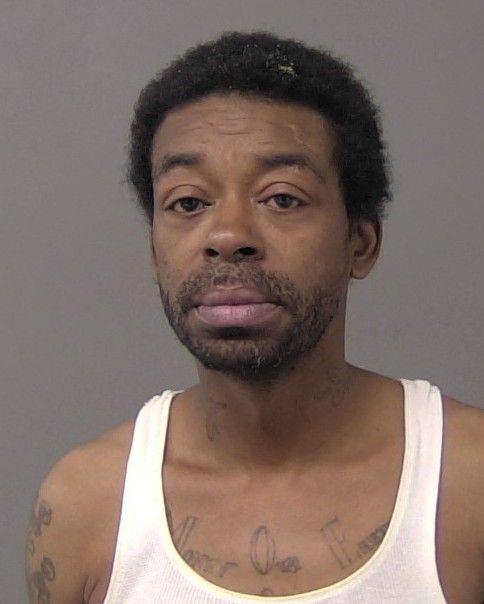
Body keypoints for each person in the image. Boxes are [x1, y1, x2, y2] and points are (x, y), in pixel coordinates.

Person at [25, 31, 483, 603]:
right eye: (188, 202)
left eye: (282, 198)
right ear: (155, 254)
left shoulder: (469, 485)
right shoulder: (85, 507)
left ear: (361, 243)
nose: (227, 235)